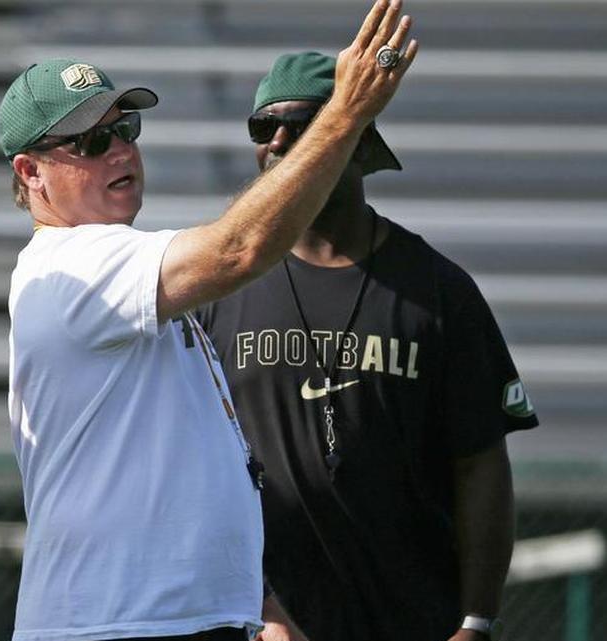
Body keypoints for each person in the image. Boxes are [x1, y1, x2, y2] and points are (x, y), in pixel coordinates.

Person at [0, 2, 417, 640]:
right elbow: (240, 248)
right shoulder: (74, 265)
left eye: (126, 127)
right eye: (90, 141)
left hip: (166, 620)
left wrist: (261, 611)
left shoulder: (120, 272)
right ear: (30, 173)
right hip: (116, 625)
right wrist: (344, 114)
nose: (121, 150)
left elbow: (195, 468)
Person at [193, 51, 539, 641]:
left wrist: (475, 622)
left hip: (414, 620)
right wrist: (261, 608)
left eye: (301, 125)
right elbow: (190, 468)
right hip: (266, 626)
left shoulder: (437, 290)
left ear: (356, 138)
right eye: (262, 128)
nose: (277, 143)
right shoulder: (218, 286)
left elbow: (481, 463)